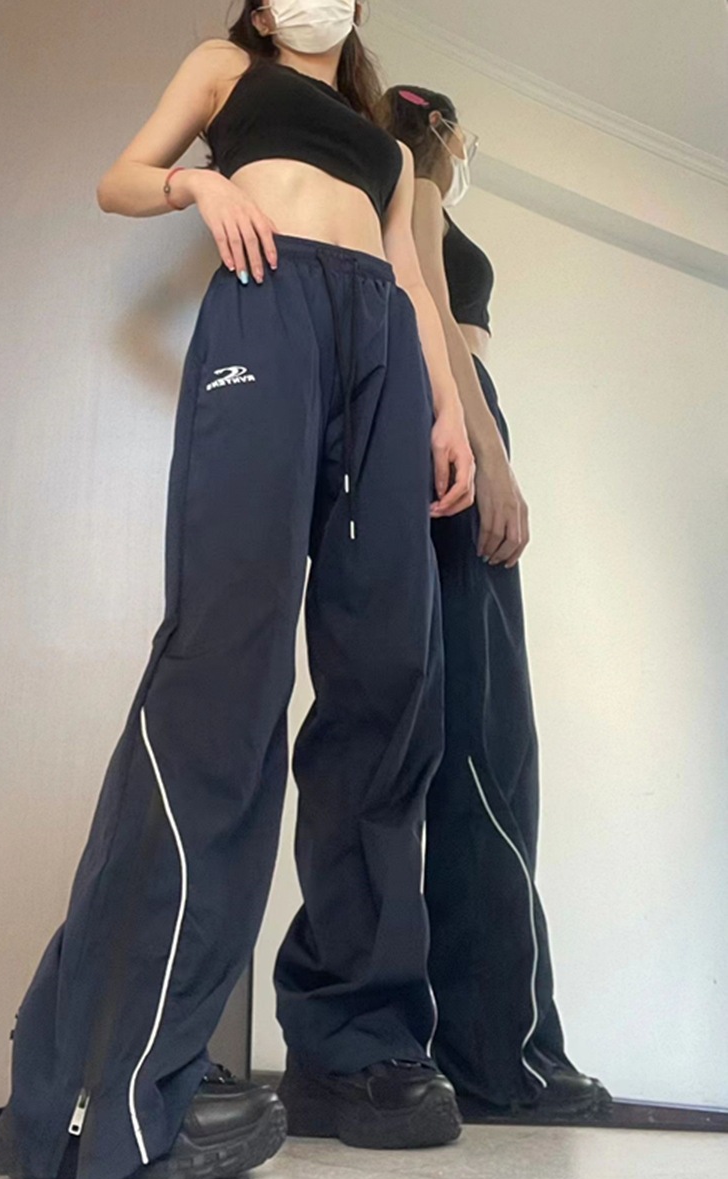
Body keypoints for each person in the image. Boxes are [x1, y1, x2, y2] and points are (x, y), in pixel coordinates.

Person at [0, 3, 476, 1179]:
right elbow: (120, 179)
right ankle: (105, 1070)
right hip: (271, 304)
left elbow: (414, 282)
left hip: (384, 351)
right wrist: (196, 188)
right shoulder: (228, 69)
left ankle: (353, 1046)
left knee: (389, 684)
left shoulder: (386, 142)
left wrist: (448, 412)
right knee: (227, 666)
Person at [375, 83, 613, 1125]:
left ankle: (467, 1038)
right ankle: (500, 1051)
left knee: (452, 735)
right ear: (440, 128)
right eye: (463, 133)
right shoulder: (418, 186)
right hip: (456, 420)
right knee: (487, 744)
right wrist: (493, 454)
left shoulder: (392, 190)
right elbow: (431, 307)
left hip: (430, 424)